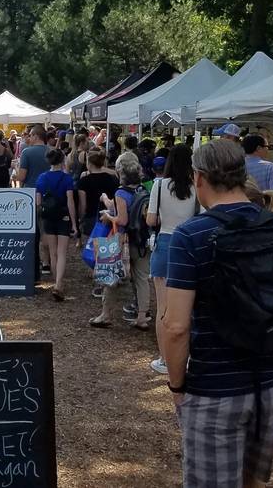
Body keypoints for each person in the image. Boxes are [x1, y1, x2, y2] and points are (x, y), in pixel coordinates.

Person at [159, 139, 273, 488]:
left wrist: (177, 384)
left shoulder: (191, 236)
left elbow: (176, 325)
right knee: (253, 481)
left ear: (198, 179)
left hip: (215, 385)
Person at [148, 144, 196, 374]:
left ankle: (165, 358)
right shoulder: (197, 187)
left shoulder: (159, 185)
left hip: (166, 241)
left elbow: (151, 219)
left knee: (163, 308)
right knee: (187, 307)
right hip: (189, 245)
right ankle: (184, 357)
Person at [91, 162, 148, 328]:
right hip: (141, 239)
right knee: (142, 278)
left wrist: (108, 217)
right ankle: (142, 316)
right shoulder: (143, 190)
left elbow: (122, 220)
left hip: (122, 239)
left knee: (111, 275)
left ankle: (106, 314)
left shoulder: (121, 193)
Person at [35, 148, 76, 301]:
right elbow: (70, 201)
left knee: (52, 252)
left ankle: (56, 282)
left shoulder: (41, 178)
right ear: (62, 160)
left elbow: (38, 202)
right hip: (63, 216)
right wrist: (74, 222)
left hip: (48, 217)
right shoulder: (67, 179)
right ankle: (59, 284)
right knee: (62, 252)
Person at [76, 151, 120, 244]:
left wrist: (81, 218)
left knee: (91, 246)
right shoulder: (112, 178)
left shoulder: (83, 181)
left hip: (91, 216)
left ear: (89, 163)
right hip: (109, 216)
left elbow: (83, 204)